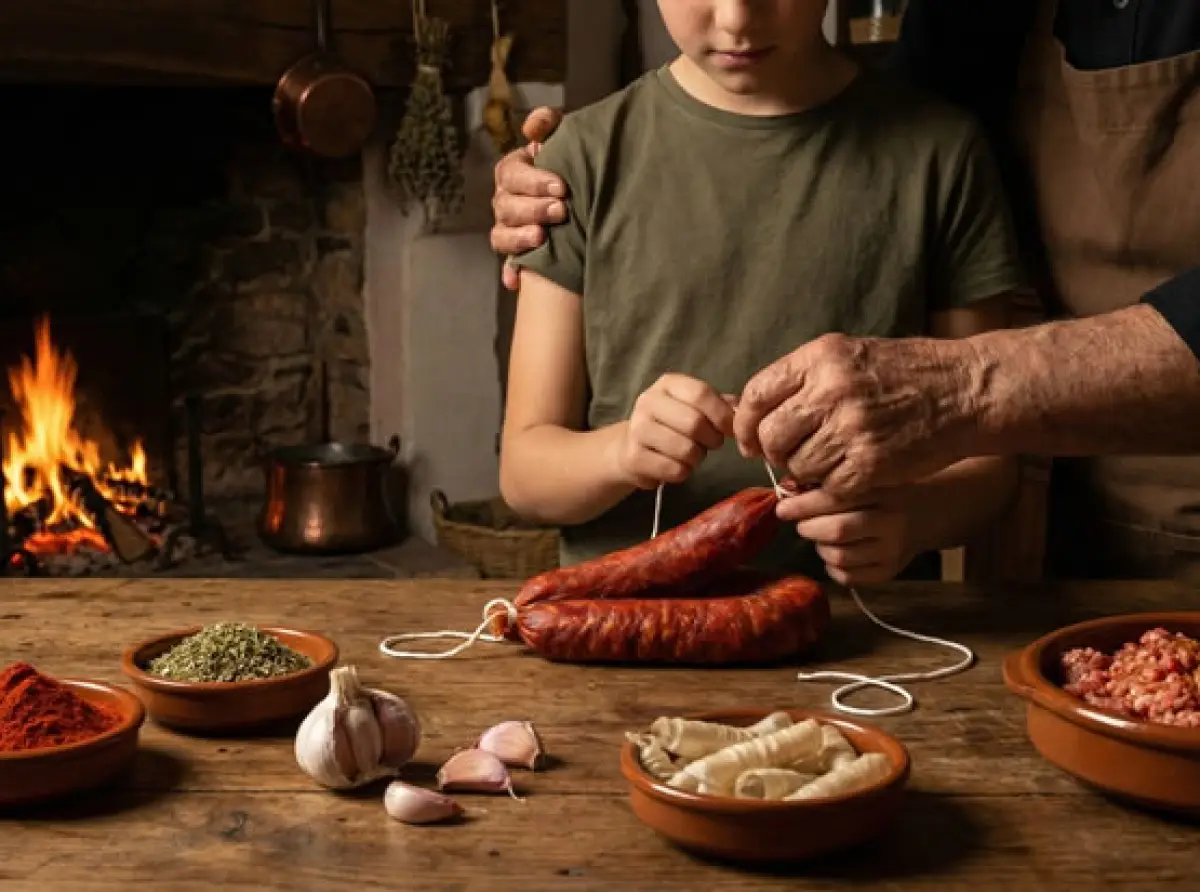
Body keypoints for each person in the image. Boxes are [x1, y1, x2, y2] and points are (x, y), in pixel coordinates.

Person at [490, 0, 1200, 580]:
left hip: (868, 642)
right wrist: (620, 453)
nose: (737, 19)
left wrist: (912, 521)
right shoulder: (580, 158)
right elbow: (525, 472)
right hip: (620, 618)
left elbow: (988, 464)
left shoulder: (940, 153)